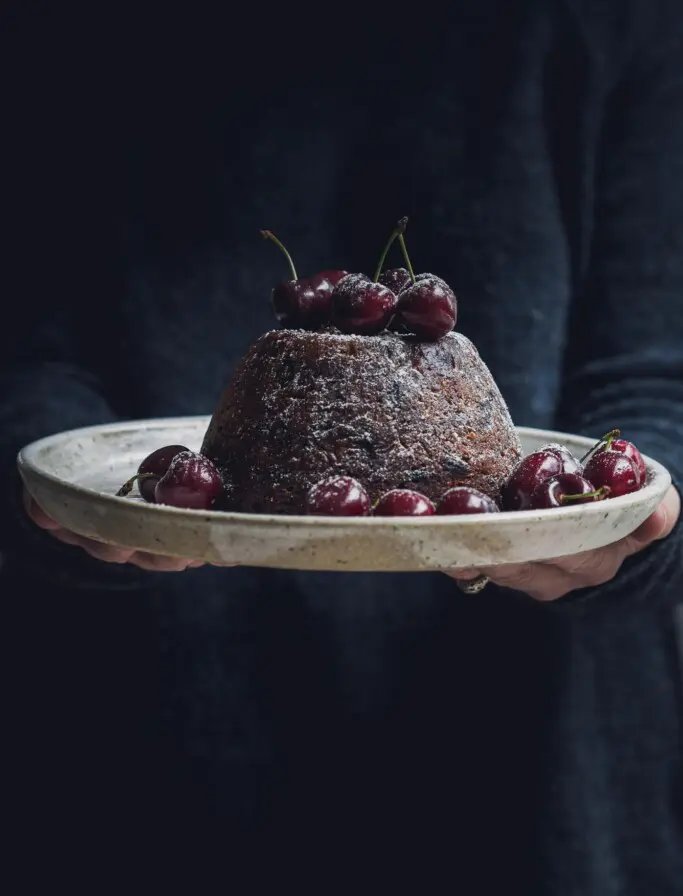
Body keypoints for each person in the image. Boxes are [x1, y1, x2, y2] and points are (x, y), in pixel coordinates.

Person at [2, 3, 682, 893]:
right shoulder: (62, 32)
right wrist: (57, 489)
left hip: (538, 754)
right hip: (135, 726)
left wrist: (622, 531)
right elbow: (31, 343)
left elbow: (654, 374)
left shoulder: (622, 23)